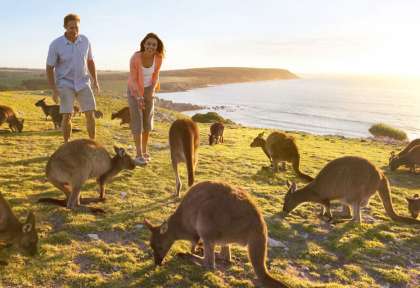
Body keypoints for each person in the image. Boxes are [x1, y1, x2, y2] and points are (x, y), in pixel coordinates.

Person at [46, 13, 100, 143]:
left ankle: (92, 143)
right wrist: (54, 89)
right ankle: (66, 144)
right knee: (67, 115)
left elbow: (90, 62)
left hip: (83, 82)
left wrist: (95, 80)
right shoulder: (56, 44)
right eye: (71, 27)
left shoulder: (85, 41)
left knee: (90, 114)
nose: (74, 30)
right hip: (65, 83)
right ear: (65, 27)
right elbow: (49, 68)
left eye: (76, 27)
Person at [127, 33, 164, 165]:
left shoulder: (158, 58)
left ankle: (144, 149)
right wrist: (138, 97)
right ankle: (138, 154)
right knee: (137, 120)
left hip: (149, 89)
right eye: (148, 44)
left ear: (157, 46)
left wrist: (151, 91)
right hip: (134, 89)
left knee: (147, 120)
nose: (151, 46)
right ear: (144, 44)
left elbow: (156, 76)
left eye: (154, 44)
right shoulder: (135, 58)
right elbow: (133, 79)